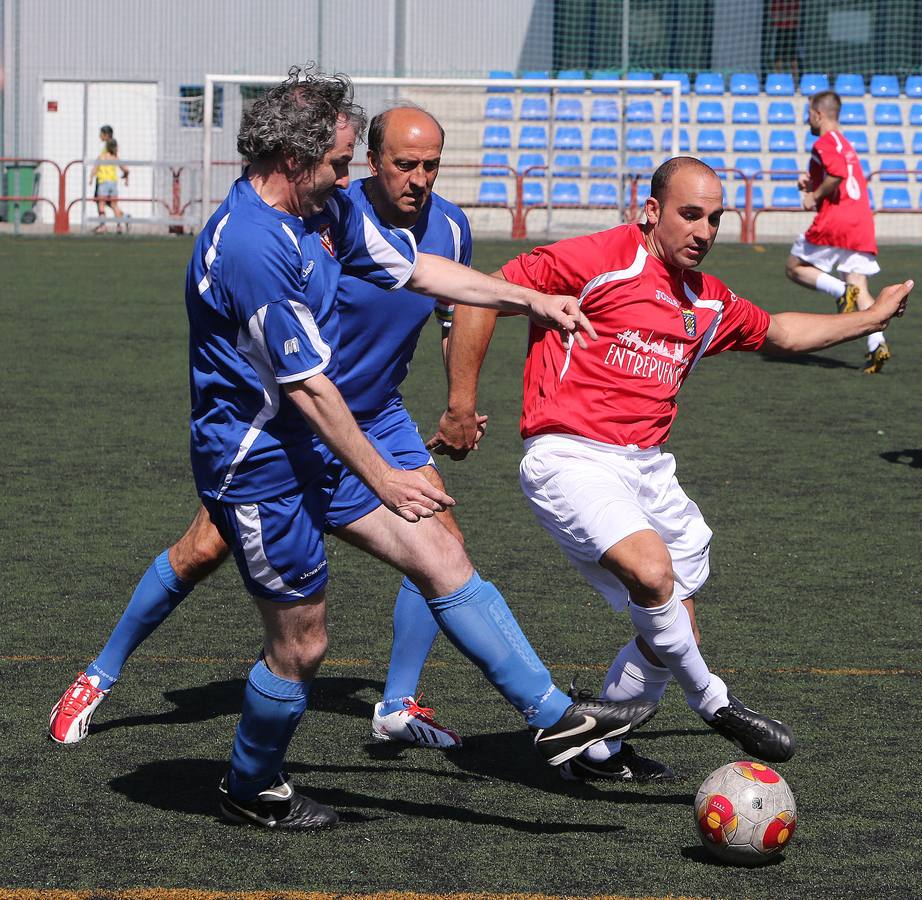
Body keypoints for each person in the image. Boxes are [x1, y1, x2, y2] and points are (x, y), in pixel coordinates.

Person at [52, 68, 656, 829]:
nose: (352, 175)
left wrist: (531, 298)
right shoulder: (250, 248)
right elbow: (309, 391)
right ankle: (250, 786)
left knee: (440, 553)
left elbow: (416, 269)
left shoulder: (326, 210)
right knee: (302, 646)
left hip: (318, 442)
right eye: (341, 162)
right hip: (260, 467)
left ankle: (552, 717)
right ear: (294, 158)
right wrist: (385, 476)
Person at [437, 157, 912, 781]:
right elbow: (479, 294)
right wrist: (461, 406)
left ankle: (597, 752)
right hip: (571, 454)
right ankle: (713, 700)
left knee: (670, 625)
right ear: (652, 211)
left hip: (648, 469)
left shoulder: (706, 300)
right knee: (652, 574)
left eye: (715, 218)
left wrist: (869, 320)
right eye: (691, 214)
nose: (704, 230)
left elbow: (782, 333)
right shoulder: (599, 259)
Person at [49, 102, 485, 751]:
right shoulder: (331, 221)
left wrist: (459, 401)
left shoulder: (450, 228)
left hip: (381, 414)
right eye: (405, 163)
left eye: (431, 164)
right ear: (371, 163)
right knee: (202, 549)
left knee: (439, 541)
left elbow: (462, 309)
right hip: (296, 414)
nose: (420, 177)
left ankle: (397, 703)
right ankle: (98, 673)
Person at [783, 91, 888, 374]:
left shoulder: (824, 141)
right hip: (861, 220)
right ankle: (877, 344)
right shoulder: (844, 143)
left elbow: (838, 173)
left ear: (818, 114)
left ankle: (841, 291)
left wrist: (814, 196)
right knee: (861, 287)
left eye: (809, 113)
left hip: (838, 221)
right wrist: (811, 184)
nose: (808, 119)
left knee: (794, 267)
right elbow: (841, 174)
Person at [91, 125, 129, 234]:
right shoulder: (112, 150)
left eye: (101, 134)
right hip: (112, 181)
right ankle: (120, 223)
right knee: (112, 204)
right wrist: (126, 174)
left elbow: (98, 163)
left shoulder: (106, 150)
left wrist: (92, 175)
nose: (99, 136)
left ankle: (104, 225)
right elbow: (121, 164)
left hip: (103, 180)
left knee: (101, 203)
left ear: (106, 135)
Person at [766, 1, 802, 81]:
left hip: (792, 30)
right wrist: (787, 16)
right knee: (777, 58)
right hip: (779, 30)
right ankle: (779, 80)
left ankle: (795, 82)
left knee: (793, 58)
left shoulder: (794, 2)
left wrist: (783, 17)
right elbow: (774, 17)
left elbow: (796, 16)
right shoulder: (776, 2)